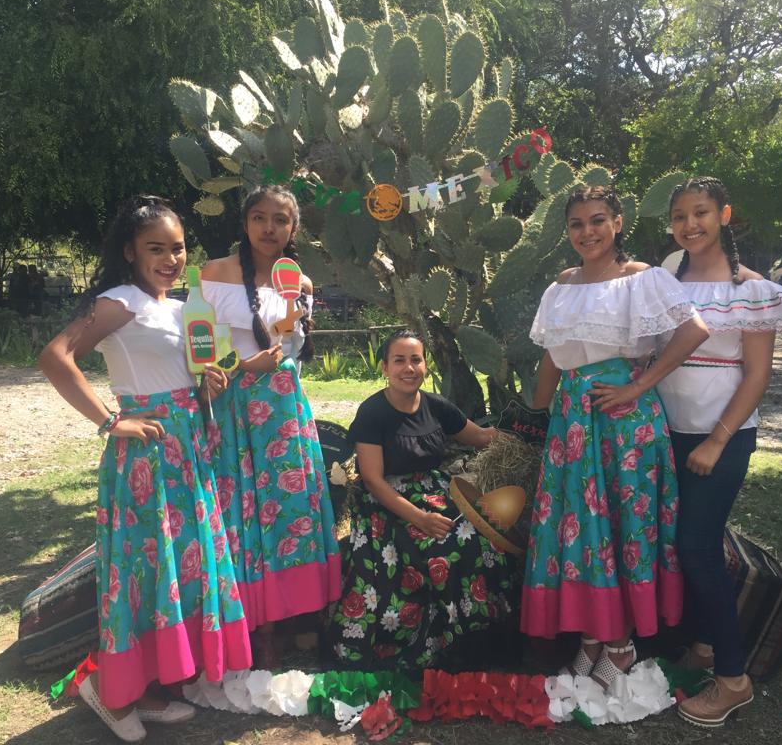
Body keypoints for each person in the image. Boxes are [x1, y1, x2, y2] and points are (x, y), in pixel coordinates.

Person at [39, 195, 251, 742]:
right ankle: (108, 689)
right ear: (130, 250)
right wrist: (111, 421)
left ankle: (150, 688)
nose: (170, 259)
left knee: (177, 569)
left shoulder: (181, 310)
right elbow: (55, 357)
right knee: (140, 570)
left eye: (178, 248)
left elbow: (184, 378)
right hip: (146, 456)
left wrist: (207, 387)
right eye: (156, 248)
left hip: (188, 451)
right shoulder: (120, 302)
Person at [521, 185, 710, 688]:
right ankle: (591, 634)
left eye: (598, 220)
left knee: (624, 524)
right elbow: (552, 355)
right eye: (577, 223)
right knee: (580, 526)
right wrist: (535, 412)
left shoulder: (643, 278)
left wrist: (640, 384)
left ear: (618, 223)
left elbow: (694, 330)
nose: (588, 232)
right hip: (571, 421)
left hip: (624, 423)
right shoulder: (561, 285)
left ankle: (621, 642)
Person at [658, 177, 782, 727]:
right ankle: (702, 644)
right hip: (664, 434)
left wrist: (717, 440)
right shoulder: (666, 276)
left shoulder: (753, 290)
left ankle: (733, 680)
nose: (689, 224)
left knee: (696, 546)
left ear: (724, 215)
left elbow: (757, 375)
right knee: (685, 543)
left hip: (721, 437)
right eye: (679, 216)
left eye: (700, 212)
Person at [201, 185, 340, 668]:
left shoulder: (299, 282)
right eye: (259, 217)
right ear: (245, 223)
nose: (269, 228)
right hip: (235, 410)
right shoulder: (215, 274)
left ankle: (299, 613)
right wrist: (242, 368)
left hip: (284, 411)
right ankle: (256, 623)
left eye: (280, 219)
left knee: (290, 507)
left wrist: (270, 365)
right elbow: (198, 350)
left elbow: (292, 349)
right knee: (241, 508)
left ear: (293, 227)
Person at [327, 330, 518, 670]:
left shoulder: (436, 406)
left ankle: (472, 641)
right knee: (446, 547)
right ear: (385, 367)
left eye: (415, 360)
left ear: (425, 365)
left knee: (482, 540)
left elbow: (480, 436)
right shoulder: (373, 412)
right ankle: (435, 642)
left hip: (436, 494)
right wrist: (420, 518)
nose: (408, 368)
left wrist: (523, 438)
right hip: (388, 504)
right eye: (399, 360)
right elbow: (372, 479)